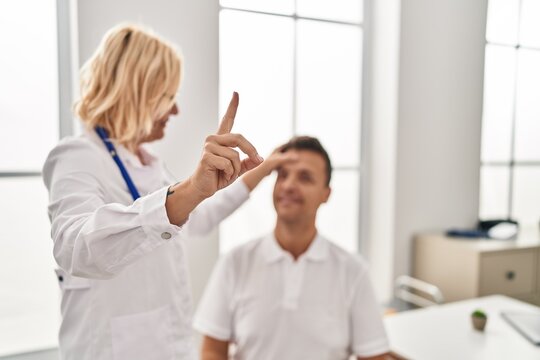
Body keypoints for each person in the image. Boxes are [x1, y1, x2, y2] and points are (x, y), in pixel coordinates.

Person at [42, 23, 287, 360]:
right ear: (137, 93)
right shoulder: (78, 156)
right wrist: (187, 191)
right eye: (168, 97)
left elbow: (198, 217)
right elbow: (75, 247)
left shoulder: (150, 164)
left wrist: (262, 166)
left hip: (166, 345)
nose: (176, 111)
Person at [194, 136, 391, 360]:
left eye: (305, 177)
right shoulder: (235, 262)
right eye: (282, 175)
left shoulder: (353, 272)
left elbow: (375, 356)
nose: (288, 186)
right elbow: (212, 350)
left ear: (326, 194)